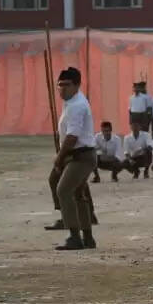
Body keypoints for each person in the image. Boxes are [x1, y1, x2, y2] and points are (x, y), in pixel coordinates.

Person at [49, 67, 98, 251]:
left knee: (63, 190)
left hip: (81, 156)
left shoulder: (77, 105)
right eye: (59, 85)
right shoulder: (72, 101)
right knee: (78, 194)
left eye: (67, 85)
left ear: (77, 85)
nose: (62, 89)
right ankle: (87, 237)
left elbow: (72, 137)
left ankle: (74, 235)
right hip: (77, 155)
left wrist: (59, 158)